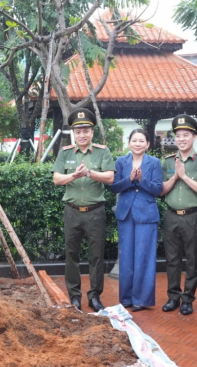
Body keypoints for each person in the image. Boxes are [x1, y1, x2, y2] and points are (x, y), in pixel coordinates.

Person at [52, 108, 115, 312]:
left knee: (96, 255)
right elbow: (56, 179)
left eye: (86, 130)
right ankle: (75, 296)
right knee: (72, 254)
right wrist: (74, 176)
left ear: (92, 132)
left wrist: (89, 172)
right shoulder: (65, 152)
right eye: (78, 131)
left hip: (95, 212)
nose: (82, 135)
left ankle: (95, 296)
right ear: (73, 133)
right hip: (72, 211)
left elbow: (110, 177)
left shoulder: (102, 151)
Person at [160, 115, 197, 316]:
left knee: (192, 259)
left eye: (186, 135)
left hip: (194, 215)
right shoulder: (167, 162)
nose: (181, 139)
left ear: (193, 137)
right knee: (172, 259)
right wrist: (175, 176)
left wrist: (184, 177)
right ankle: (173, 297)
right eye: (178, 135)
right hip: (172, 215)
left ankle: (187, 299)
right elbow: (161, 191)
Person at [111, 129, 163, 311]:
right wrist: (130, 178)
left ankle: (141, 300)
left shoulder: (154, 162)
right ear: (129, 143)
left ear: (148, 144)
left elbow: (158, 189)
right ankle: (126, 299)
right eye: (134, 140)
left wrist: (141, 180)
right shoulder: (121, 161)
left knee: (144, 257)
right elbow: (115, 186)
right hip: (126, 214)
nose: (138, 143)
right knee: (126, 257)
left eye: (142, 140)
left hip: (146, 214)